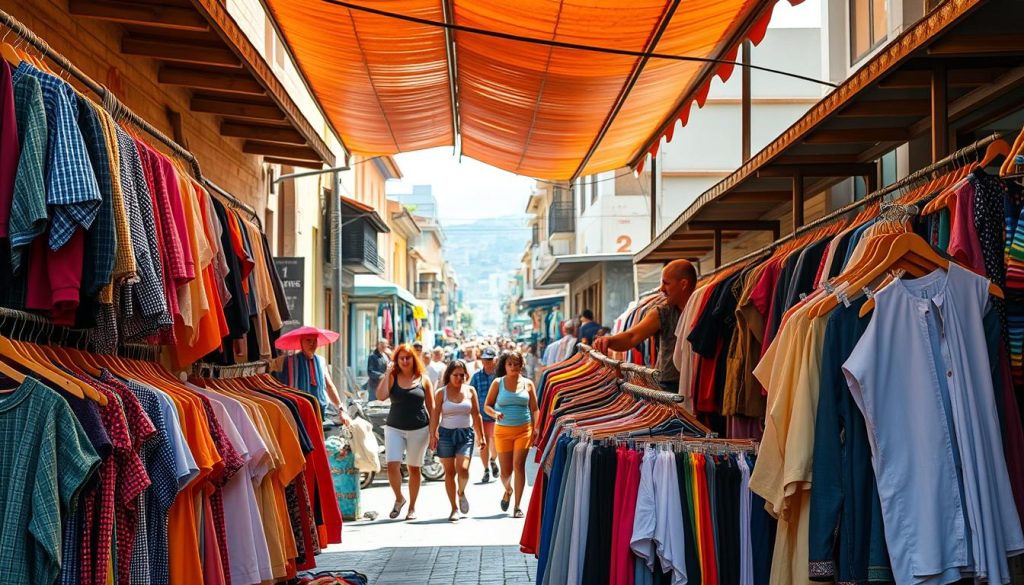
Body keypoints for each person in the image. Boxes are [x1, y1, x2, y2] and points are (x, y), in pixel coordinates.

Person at [593, 259, 697, 391]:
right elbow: (632, 336)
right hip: (670, 386)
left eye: (666, 283)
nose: (661, 289)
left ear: (683, 284)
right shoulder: (662, 312)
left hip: (699, 386)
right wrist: (609, 340)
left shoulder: (705, 308)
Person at [376, 344, 435, 520]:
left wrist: (434, 431)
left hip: (419, 429)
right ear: (396, 360)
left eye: (408, 357)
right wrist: (387, 373)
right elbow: (380, 396)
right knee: (392, 464)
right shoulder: (392, 377)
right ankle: (399, 498)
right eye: (401, 358)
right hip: (395, 427)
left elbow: (431, 407)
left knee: (414, 469)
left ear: (414, 359)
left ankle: (412, 507)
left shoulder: (423, 379)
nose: (404, 361)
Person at [428, 360, 486, 522]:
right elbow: (435, 414)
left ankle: (461, 492)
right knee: (450, 473)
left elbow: (476, 414)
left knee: (463, 469)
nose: (459, 378)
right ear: (449, 375)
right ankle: (454, 508)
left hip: (465, 434)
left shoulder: (470, 391)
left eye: (462, 375)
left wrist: (481, 436)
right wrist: (432, 435)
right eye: (456, 375)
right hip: (446, 435)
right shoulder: (441, 392)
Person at [484, 350, 539, 518]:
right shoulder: (497, 383)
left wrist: (536, 428)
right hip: (502, 432)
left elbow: (535, 408)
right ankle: (508, 490)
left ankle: (517, 506)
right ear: (505, 366)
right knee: (505, 472)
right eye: (510, 364)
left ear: (521, 365)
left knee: (519, 466)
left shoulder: (528, 384)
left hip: (524, 430)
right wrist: (494, 414)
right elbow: (487, 405)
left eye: (516, 364)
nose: (513, 367)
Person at [275, 334, 351, 425]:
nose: (312, 344)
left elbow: (330, 387)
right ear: (301, 342)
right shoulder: (289, 362)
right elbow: (280, 388)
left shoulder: (320, 361)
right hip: (297, 414)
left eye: (315, 340)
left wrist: (341, 410)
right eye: (308, 340)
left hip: (319, 412)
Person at [470, 346, 500, 482]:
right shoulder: (476, 376)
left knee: (496, 442)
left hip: (496, 415)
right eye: (484, 359)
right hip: (481, 416)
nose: (486, 362)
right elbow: (470, 393)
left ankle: (493, 460)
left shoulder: (499, 376)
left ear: (495, 360)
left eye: (489, 359)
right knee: (483, 443)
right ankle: (486, 469)